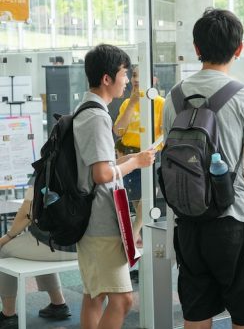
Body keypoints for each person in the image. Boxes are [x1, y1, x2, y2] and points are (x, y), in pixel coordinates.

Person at [163, 8, 244, 329]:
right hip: (235, 222)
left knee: (196, 316)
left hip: (189, 222)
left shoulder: (173, 97)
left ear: (196, 48)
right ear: (239, 49)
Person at [74, 44, 156, 329]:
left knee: (94, 296)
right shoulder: (97, 116)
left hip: (90, 220)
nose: (127, 81)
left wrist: (132, 158)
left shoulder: (85, 109)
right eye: (124, 74)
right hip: (101, 222)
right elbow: (101, 174)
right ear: (107, 78)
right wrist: (135, 163)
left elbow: (98, 165)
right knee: (122, 301)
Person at [0, 188, 76, 329]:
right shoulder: (84, 175)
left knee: (3, 251)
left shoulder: (43, 174)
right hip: (83, 245)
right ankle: (58, 304)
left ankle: (8, 314)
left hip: (56, 245)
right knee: (38, 247)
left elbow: (27, 213)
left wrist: (7, 237)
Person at [113, 65, 165, 244]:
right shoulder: (127, 103)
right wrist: (132, 104)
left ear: (154, 80)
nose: (136, 79)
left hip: (149, 156)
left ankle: (134, 232)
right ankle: (139, 234)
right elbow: (118, 131)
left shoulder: (160, 103)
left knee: (147, 196)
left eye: (141, 75)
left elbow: (165, 133)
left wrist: (153, 150)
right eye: (134, 75)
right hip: (128, 157)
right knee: (136, 198)